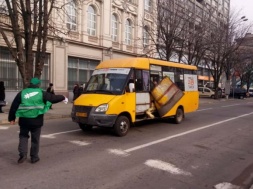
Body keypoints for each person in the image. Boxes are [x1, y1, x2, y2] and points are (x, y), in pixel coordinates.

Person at [8, 77, 67, 164]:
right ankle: (34, 157)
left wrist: (12, 118)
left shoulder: (22, 93)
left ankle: (23, 154)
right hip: (37, 121)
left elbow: (14, 106)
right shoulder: (41, 93)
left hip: (24, 120)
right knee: (35, 139)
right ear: (38, 84)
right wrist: (63, 97)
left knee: (23, 136)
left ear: (30, 84)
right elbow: (53, 98)